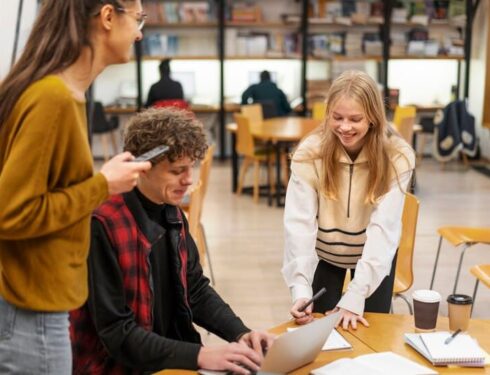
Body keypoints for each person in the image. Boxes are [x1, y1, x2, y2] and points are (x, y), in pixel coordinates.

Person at [0, 1, 152, 373]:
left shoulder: (58, 92)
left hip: (36, 302)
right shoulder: (53, 97)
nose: (139, 33)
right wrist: (102, 185)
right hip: (31, 309)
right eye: (138, 18)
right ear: (107, 17)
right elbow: (11, 212)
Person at [70, 107, 274, 375]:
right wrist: (200, 355)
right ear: (142, 169)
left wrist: (240, 333)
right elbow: (117, 333)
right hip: (121, 367)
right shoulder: (104, 223)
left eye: (191, 167)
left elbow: (196, 289)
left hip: (168, 355)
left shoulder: (171, 209)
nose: (188, 180)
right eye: (177, 171)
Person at [282, 70, 415, 331]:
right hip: (327, 254)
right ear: (327, 113)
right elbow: (299, 225)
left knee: (370, 331)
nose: (345, 127)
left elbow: (383, 229)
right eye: (337, 117)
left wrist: (356, 294)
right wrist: (300, 288)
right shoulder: (310, 153)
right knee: (317, 330)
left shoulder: (398, 156)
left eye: (355, 119)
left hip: (372, 256)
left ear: (374, 118)